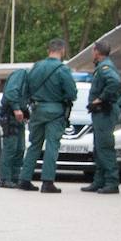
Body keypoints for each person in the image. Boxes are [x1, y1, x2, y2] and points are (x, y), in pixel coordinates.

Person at [17, 39, 78, 194]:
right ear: (62, 50)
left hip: (37, 110)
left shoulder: (36, 67)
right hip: (55, 112)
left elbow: (26, 88)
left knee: (34, 144)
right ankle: (47, 182)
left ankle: (24, 179)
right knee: (52, 145)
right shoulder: (62, 69)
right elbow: (72, 93)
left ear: (48, 50)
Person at [82, 42, 121, 194]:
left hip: (105, 112)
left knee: (105, 147)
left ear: (97, 52)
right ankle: (99, 181)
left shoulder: (105, 67)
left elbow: (114, 82)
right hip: (100, 114)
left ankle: (112, 182)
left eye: (93, 50)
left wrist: (100, 99)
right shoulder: (101, 66)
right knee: (99, 148)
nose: (92, 53)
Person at [0, 67, 28, 188]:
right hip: (10, 117)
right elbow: (11, 92)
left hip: (18, 118)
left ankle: (15, 177)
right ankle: (5, 178)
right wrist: (16, 108)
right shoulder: (21, 75)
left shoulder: (28, 79)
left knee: (20, 148)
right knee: (11, 148)